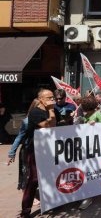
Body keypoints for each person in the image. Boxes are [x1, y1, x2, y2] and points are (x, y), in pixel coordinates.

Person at [21, 89, 56, 217]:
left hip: (48, 149)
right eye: (48, 98)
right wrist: (51, 110)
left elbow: (55, 125)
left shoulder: (52, 110)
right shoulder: (35, 112)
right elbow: (48, 126)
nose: (52, 100)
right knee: (34, 178)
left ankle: (51, 203)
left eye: (52, 97)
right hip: (35, 149)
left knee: (50, 176)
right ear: (41, 99)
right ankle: (25, 211)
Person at [8, 99, 39, 193]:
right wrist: (11, 153)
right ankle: (28, 194)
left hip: (41, 150)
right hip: (28, 150)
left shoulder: (47, 119)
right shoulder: (27, 121)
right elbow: (19, 137)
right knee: (27, 172)